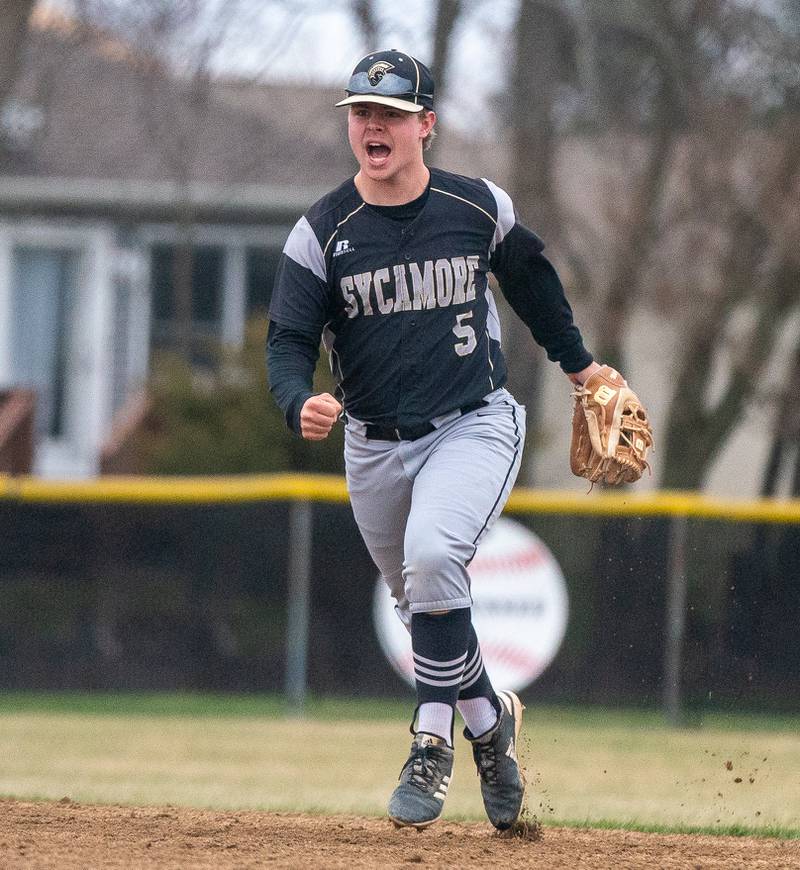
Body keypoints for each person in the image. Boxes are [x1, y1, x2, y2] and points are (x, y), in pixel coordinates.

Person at [267, 49, 600, 830]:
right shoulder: (323, 230)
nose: (372, 126)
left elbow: (533, 284)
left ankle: (431, 739)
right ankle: (490, 726)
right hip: (374, 445)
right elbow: (287, 341)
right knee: (425, 600)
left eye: (389, 113)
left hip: (473, 424)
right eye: (361, 113)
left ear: (427, 124)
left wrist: (582, 368)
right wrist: (295, 401)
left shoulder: (478, 206)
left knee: (433, 559)